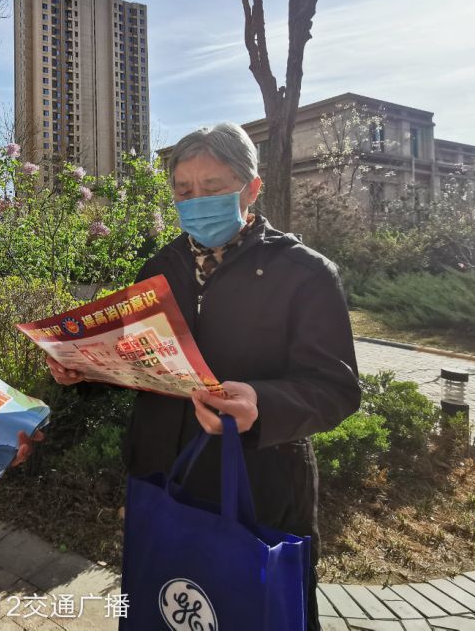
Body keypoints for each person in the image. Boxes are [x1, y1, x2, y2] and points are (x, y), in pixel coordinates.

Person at [47, 122, 361, 631]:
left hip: (258, 486)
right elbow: (138, 358)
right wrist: (80, 369)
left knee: (251, 611)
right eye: (184, 191)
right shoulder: (160, 266)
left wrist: (262, 402)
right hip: (162, 476)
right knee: (162, 608)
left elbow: (338, 388)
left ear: (251, 189)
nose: (197, 202)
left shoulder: (303, 273)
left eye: (213, 189)